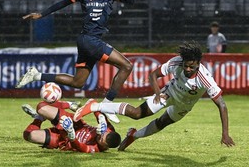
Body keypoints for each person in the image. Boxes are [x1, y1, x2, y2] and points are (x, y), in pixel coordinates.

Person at [15, 0, 135, 124]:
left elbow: (130, 0)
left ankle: (37, 75)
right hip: (89, 40)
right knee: (126, 66)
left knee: (78, 82)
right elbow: (63, 3)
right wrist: (42, 14)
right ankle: (107, 105)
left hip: (89, 41)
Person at [74, 41, 235, 151]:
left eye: (191, 67)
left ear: (198, 64)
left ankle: (133, 136)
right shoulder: (176, 62)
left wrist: (225, 133)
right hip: (168, 94)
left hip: (184, 106)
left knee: (162, 123)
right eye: (186, 66)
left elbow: (222, 105)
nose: (187, 69)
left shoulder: (205, 79)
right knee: (137, 113)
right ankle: (95, 106)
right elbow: (153, 75)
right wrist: (158, 93)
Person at [22, 100, 121, 153]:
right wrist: (101, 118)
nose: (99, 135)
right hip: (75, 123)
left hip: (63, 140)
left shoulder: (94, 150)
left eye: (100, 139)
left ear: (105, 146)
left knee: (29, 135)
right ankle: (69, 104)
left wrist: (71, 135)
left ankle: (39, 118)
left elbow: (79, 147)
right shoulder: (109, 129)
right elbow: (93, 102)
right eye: (102, 134)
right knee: (41, 107)